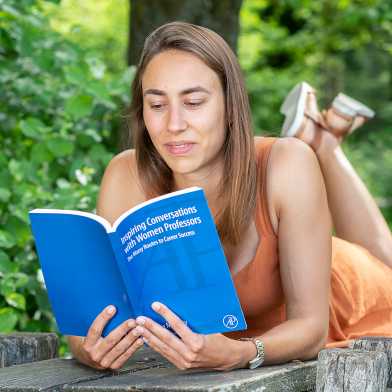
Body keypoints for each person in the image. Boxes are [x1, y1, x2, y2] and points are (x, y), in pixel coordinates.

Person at [67, 21, 392, 371]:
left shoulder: (287, 164)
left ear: (230, 104)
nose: (174, 124)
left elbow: (312, 331)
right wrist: (89, 348)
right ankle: (321, 136)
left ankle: (324, 145)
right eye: (157, 105)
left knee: (384, 259)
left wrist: (239, 354)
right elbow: (89, 321)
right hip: (241, 336)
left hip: (350, 296)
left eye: (193, 102)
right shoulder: (125, 174)